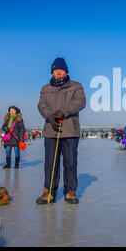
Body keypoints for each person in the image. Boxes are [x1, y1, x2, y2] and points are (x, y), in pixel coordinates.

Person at [36, 57, 86, 205]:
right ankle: (49, 192)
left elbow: (80, 102)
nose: (58, 72)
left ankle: (71, 191)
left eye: (61, 70)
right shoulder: (46, 88)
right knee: (50, 163)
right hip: (52, 129)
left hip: (70, 130)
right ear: (52, 72)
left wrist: (63, 112)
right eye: (55, 70)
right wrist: (49, 116)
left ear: (66, 71)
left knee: (70, 162)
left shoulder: (76, 86)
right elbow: (41, 105)